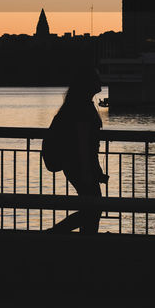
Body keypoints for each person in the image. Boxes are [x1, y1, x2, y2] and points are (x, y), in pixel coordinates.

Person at [46, 68, 108, 235]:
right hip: (80, 165)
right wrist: (89, 170)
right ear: (88, 85)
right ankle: (54, 233)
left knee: (90, 207)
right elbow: (83, 143)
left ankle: (81, 240)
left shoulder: (77, 105)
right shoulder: (82, 108)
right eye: (96, 79)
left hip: (76, 164)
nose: (100, 82)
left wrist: (95, 170)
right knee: (93, 208)